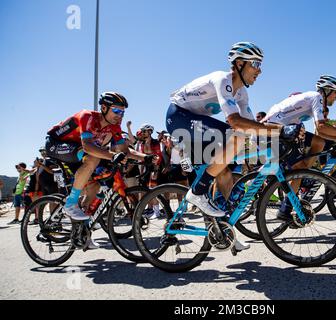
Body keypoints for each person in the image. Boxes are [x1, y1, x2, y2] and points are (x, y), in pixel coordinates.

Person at [166, 42, 303, 251]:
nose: (259, 70)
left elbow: (253, 130)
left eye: (261, 65)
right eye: (255, 64)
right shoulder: (223, 79)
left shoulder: (241, 94)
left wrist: (271, 152)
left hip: (197, 126)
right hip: (178, 116)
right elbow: (236, 123)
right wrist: (280, 130)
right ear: (239, 63)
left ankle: (225, 231)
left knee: (225, 174)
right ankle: (198, 191)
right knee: (236, 135)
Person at [45, 92, 153, 227]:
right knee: (93, 157)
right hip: (56, 144)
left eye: (122, 112)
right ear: (104, 108)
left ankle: (82, 230)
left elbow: (124, 150)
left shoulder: (114, 126)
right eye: (116, 110)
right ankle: (71, 203)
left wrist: (146, 158)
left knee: (95, 185)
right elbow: (88, 146)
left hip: (77, 150)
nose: (119, 115)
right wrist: (113, 156)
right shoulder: (87, 116)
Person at [263, 76, 336, 220]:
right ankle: (285, 209)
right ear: (327, 90)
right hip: (273, 130)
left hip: (284, 129)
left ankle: (304, 175)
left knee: (319, 143)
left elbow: (321, 132)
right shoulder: (317, 96)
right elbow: (321, 127)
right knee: (298, 169)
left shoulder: (314, 99)